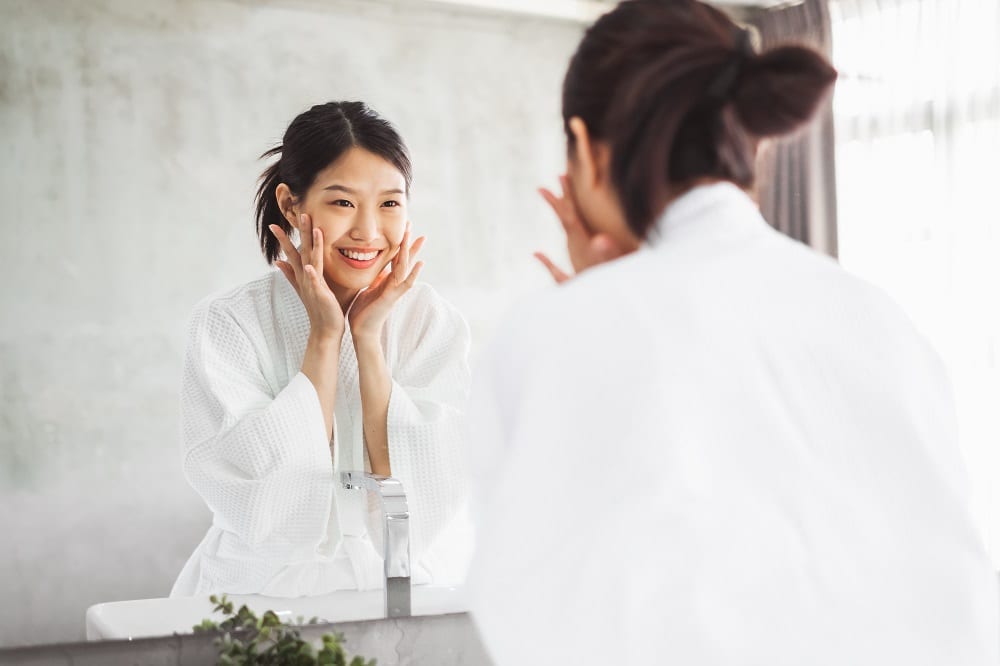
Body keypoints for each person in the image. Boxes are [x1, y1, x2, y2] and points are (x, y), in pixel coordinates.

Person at [467, 1, 999, 664]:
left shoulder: (557, 333)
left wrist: (603, 303)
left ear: (584, 148)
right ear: (750, 137)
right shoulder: (875, 314)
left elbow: (536, 611)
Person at [171, 101, 470, 597]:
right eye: (343, 203)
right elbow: (263, 502)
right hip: (261, 587)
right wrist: (326, 337)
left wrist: (368, 340)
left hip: (405, 582)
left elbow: (431, 497)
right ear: (292, 205)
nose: (369, 233)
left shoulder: (431, 321)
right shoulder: (228, 323)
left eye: (390, 204)